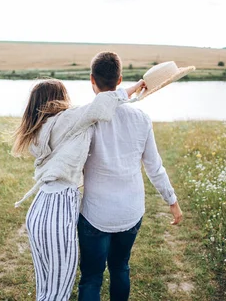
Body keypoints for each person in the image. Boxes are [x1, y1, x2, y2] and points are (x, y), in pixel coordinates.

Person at [12, 78, 145, 301]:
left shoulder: (39, 129)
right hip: (58, 211)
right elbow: (100, 104)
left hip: (40, 209)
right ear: (57, 100)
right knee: (59, 292)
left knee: (46, 289)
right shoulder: (66, 121)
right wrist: (133, 89)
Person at [77, 52, 183, 301]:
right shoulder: (142, 119)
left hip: (95, 214)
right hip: (130, 211)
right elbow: (154, 167)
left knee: (91, 277)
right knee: (120, 267)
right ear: (120, 79)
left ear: (91, 79)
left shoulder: (85, 118)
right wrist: (172, 202)